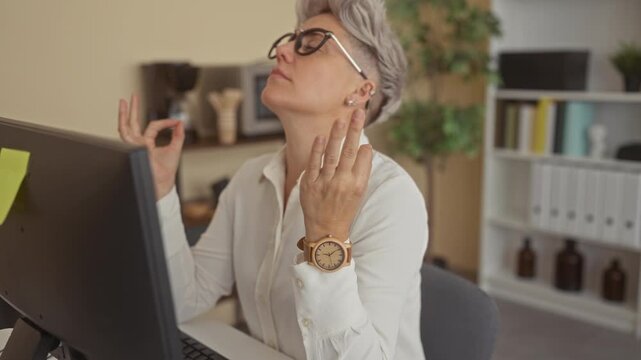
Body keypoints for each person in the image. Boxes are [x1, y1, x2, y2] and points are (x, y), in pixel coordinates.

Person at [117, 0, 428, 358]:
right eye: (288, 40)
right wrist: (160, 191)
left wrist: (327, 238)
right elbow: (185, 299)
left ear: (360, 91)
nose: (280, 51)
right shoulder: (250, 180)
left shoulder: (390, 197)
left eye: (312, 43)